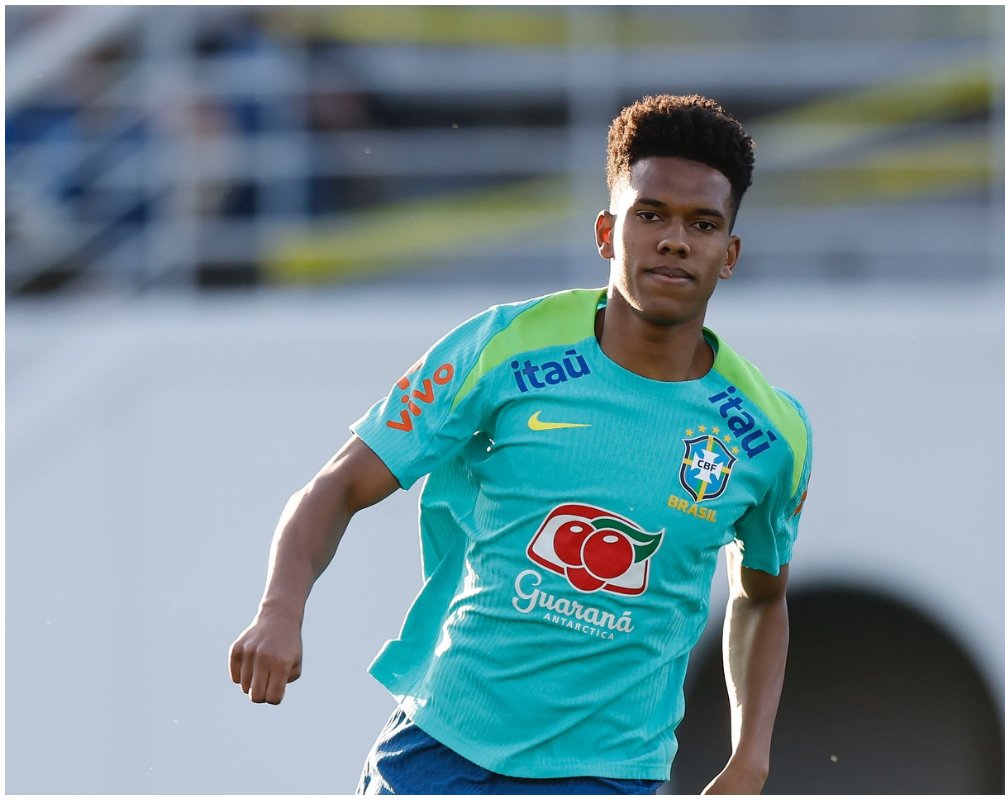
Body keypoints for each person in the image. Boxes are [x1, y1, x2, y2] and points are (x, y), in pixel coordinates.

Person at [229, 93, 812, 795]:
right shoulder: (504, 346)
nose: (675, 240)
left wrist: (749, 759)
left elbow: (761, 597)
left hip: (607, 776)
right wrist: (279, 612)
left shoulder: (768, 435)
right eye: (650, 214)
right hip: (440, 751)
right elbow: (339, 485)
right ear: (606, 232)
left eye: (703, 224)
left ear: (730, 254)